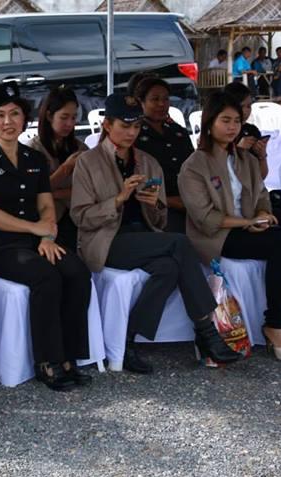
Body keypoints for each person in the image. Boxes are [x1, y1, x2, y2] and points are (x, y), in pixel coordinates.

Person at [70, 93, 240, 373]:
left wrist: (154, 204)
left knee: (168, 268)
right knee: (179, 244)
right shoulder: (88, 162)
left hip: (144, 238)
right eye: (124, 126)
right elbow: (81, 216)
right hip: (105, 241)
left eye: (136, 126)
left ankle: (128, 341)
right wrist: (118, 199)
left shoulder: (147, 162)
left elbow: (159, 221)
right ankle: (206, 330)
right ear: (107, 125)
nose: (131, 133)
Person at [178, 91, 281, 363]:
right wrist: (249, 222)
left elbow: (262, 196)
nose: (233, 127)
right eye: (225, 121)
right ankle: (274, 324)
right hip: (216, 236)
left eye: (236, 121)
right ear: (210, 123)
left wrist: (263, 214)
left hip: (247, 226)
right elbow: (205, 218)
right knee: (280, 243)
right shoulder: (194, 165)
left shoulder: (245, 159)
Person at [0, 83, 93, 391]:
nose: (8, 121)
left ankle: (70, 356)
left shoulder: (34, 158)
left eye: (14, 114)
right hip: (2, 248)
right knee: (46, 277)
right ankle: (47, 361)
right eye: (0, 115)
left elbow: (46, 205)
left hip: (38, 241)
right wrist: (33, 229)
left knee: (77, 272)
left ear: (24, 119)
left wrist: (47, 235)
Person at [27, 86, 88, 250]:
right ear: (49, 116)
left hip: (79, 217)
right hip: (47, 222)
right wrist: (65, 169)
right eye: (64, 117)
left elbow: (89, 189)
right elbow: (33, 192)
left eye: (74, 118)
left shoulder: (80, 148)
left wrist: (54, 194)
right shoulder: (33, 149)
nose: (70, 124)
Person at [133, 77, 194, 233]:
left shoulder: (178, 132)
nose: (161, 104)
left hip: (190, 200)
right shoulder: (134, 135)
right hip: (156, 205)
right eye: (155, 99)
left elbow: (193, 167)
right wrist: (169, 201)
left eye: (165, 99)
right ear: (141, 102)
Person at [223, 82, 269, 179]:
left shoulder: (252, 131)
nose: (245, 111)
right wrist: (238, 150)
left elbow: (261, 176)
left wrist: (262, 155)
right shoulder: (218, 132)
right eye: (241, 106)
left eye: (248, 106)